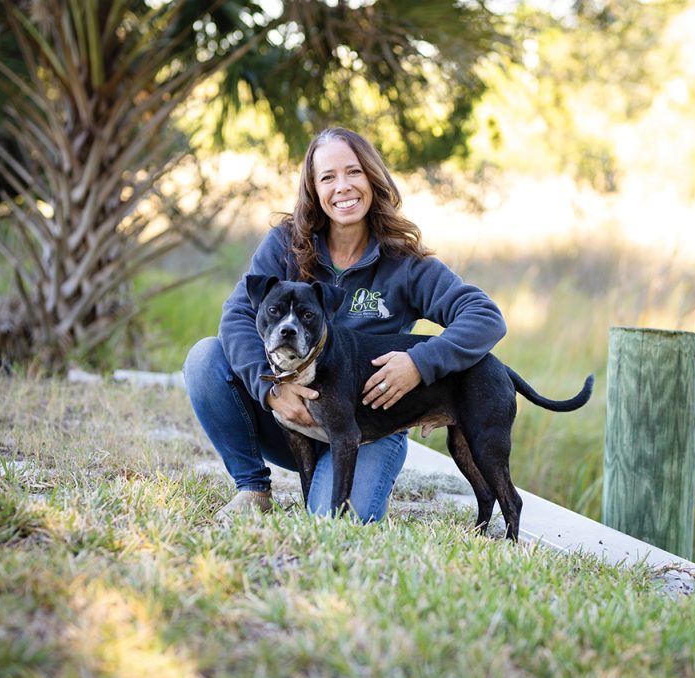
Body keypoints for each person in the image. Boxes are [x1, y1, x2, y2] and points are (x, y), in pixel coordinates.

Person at [183, 127, 507, 522]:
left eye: (353, 172)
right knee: (205, 358)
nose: (343, 187)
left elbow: (485, 316)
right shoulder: (286, 244)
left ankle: (333, 483)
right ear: (314, 189)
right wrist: (270, 390)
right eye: (328, 177)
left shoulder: (405, 264)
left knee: (337, 522)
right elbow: (236, 316)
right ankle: (253, 488)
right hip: (290, 420)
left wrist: (419, 363)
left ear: (372, 177)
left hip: (367, 430)